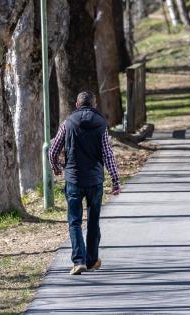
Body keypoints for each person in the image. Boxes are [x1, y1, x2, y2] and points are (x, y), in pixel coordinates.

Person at [49, 91, 122, 275]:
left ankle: (78, 261)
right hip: (95, 180)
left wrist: (57, 168)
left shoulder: (67, 123)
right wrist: (115, 180)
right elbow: (107, 154)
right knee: (93, 221)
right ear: (94, 105)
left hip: (73, 178)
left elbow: (53, 151)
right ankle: (92, 260)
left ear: (77, 105)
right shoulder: (101, 125)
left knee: (74, 221)